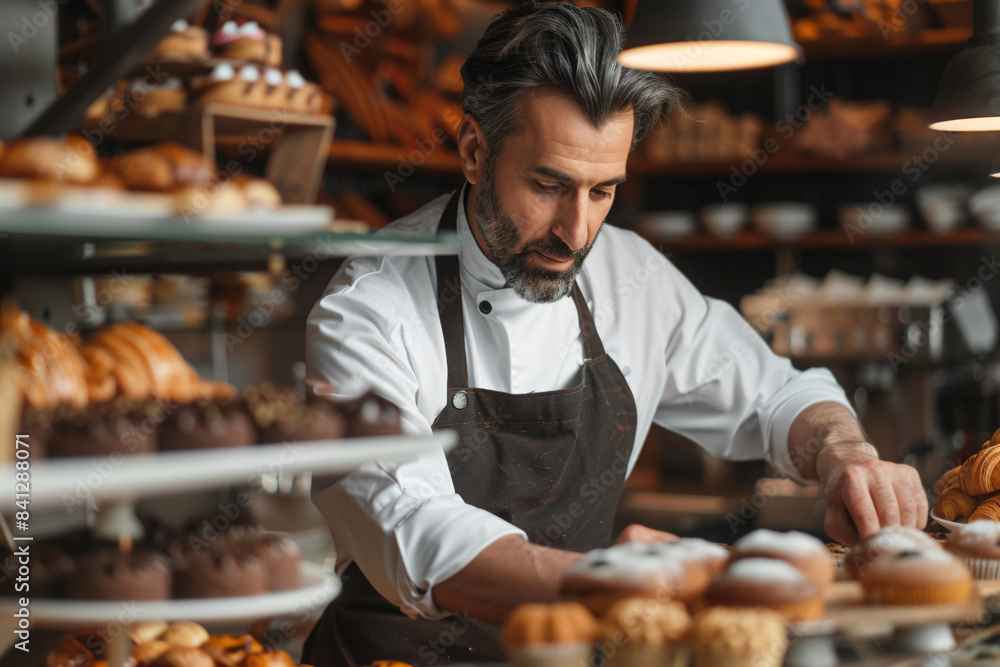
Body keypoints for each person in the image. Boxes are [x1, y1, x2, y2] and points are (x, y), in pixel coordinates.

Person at [302, 3, 928, 664]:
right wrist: (603, 580)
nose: (576, 233)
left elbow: (778, 396)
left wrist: (844, 454)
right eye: (550, 184)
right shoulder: (368, 308)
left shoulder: (630, 275)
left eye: (603, 191)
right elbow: (417, 528)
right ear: (473, 149)